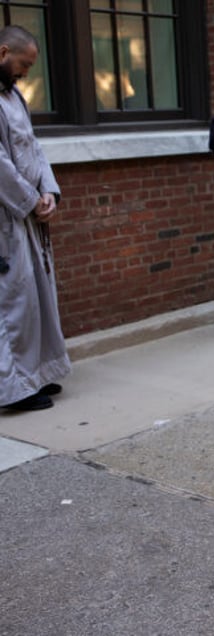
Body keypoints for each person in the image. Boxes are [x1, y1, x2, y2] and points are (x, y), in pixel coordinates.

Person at [0, 25, 70, 411]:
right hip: (7, 220)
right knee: (13, 305)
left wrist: (48, 191)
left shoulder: (14, 97)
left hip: (28, 215)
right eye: (22, 64)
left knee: (37, 299)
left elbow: (35, 149)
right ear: (3, 51)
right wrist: (29, 201)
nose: (24, 73)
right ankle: (13, 390)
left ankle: (36, 375)